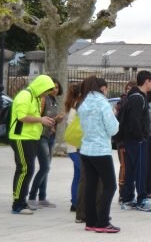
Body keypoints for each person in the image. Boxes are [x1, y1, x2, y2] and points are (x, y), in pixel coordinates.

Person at [77, 76, 120, 233]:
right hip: (101, 150)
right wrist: (115, 116)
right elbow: (113, 129)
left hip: (86, 149)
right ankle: (103, 222)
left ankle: (90, 221)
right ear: (101, 88)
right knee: (110, 185)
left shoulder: (82, 103)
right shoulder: (103, 103)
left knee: (91, 185)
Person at [9, 74, 56, 215]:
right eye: (45, 90)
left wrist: (43, 120)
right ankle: (17, 204)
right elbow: (22, 116)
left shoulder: (35, 97)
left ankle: (22, 201)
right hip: (21, 137)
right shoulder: (25, 95)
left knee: (27, 170)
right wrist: (41, 120)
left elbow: (34, 117)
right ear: (40, 86)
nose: (46, 94)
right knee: (25, 169)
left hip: (30, 138)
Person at [120, 71, 151, 212]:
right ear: (147, 81)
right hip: (137, 140)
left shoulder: (137, 97)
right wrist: (141, 136)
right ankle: (141, 199)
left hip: (132, 140)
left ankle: (128, 199)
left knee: (131, 169)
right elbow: (134, 120)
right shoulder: (138, 98)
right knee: (140, 170)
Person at [27, 77, 64, 209]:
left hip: (50, 136)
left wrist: (57, 120)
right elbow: (39, 117)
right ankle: (32, 197)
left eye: (57, 87)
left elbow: (50, 119)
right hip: (41, 136)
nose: (55, 89)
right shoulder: (44, 99)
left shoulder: (55, 101)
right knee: (45, 167)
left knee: (46, 168)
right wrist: (51, 124)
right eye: (53, 87)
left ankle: (42, 197)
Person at [116, 80, 136, 201]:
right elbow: (120, 124)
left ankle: (129, 192)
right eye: (127, 89)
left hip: (132, 141)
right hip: (123, 141)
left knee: (131, 168)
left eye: (131, 88)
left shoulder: (135, 101)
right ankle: (122, 193)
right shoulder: (123, 103)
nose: (129, 91)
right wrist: (121, 142)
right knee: (124, 167)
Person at [64, 83, 82, 212]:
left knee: (78, 174)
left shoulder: (73, 105)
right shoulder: (78, 106)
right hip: (76, 147)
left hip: (73, 147)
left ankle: (75, 202)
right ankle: (77, 202)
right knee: (83, 174)